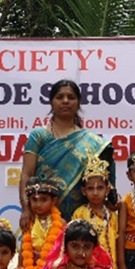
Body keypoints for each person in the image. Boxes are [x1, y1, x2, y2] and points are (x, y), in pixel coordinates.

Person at [19, 80, 115, 226]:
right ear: (51, 102)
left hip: (83, 217)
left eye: (71, 97)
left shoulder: (92, 142)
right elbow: (27, 174)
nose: (65, 101)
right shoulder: (39, 136)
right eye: (59, 97)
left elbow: (104, 180)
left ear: (78, 103)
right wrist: (26, 208)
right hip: (45, 214)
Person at [72, 156, 119, 269]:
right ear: (83, 191)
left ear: (107, 189)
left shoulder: (112, 216)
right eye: (90, 188)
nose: (95, 193)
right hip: (88, 268)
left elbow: (117, 243)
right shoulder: (79, 214)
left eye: (100, 188)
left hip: (110, 268)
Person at [20, 177, 65, 269]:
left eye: (43, 200)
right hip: (31, 268)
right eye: (34, 200)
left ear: (54, 200)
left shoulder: (60, 223)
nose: (38, 204)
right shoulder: (28, 221)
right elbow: (23, 247)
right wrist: (19, 266)